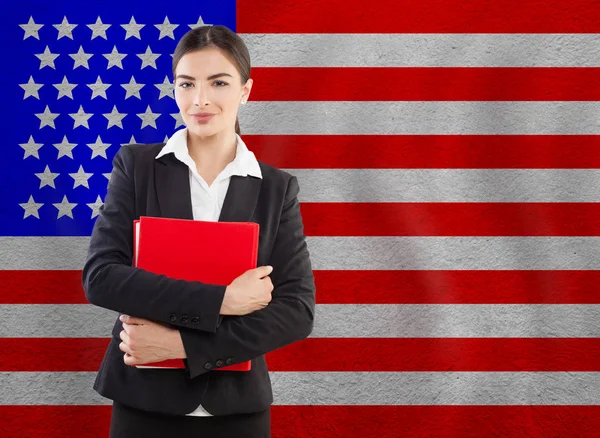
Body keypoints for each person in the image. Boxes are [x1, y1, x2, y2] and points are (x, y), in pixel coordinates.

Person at [81, 24, 316, 437]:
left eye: (218, 82)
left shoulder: (277, 188)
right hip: (144, 404)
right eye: (186, 83)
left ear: (245, 90)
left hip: (238, 411)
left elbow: (296, 312)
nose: (199, 99)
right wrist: (223, 300)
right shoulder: (136, 167)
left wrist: (183, 347)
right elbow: (102, 278)